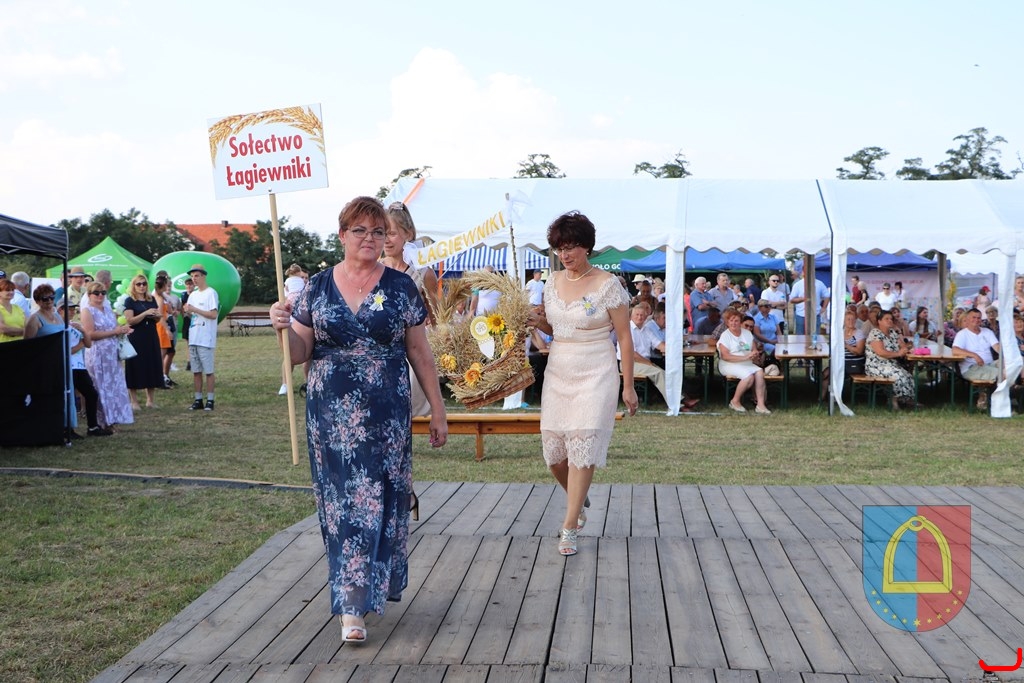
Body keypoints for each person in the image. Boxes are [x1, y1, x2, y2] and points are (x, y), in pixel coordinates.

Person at [268, 196, 448, 644]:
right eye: (360, 230)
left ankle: (368, 588)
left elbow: (419, 352)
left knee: (380, 500)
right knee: (342, 504)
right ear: (342, 235)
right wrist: (281, 328)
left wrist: (438, 409)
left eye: (378, 231)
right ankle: (351, 605)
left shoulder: (402, 287)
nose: (369, 238)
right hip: (330, 416)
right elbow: (299, 353)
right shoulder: (317, 287)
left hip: (386, 415)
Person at [527, 211, 637, 558]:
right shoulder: (552, 283)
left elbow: (625, 338)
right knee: (554, 455)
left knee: (583, 446)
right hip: (559, 369)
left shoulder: (608, 285)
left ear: (587, 246)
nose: (565, 254)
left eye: (571, 247)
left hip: (596, 371)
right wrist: (535, 322)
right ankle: (579, 498)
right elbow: (555, 328)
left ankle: (570, 525)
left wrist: (628, 385)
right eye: (560, 248)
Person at [384, 200, 441, 418]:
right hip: (381, 353)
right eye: (381, 233)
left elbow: (437, 317)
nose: (386, 239)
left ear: (407, 234)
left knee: (408, 415)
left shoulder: (423, 272)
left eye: (391, 233)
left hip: (411, 353)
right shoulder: (374, 269)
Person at [80, 281, 134, 429]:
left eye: (103, 293)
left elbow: (114, 327)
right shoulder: (87, 311)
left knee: (114, 386)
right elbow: (90, 334)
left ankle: (114, 418)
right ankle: (102, 421)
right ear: (89, 295)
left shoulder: (108, 310)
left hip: (112, 354)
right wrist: (114, 332)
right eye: (96, 293)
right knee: (100, 386)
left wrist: (122, 330)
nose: (100, 296)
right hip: (98, 353)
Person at [717, 308, 771, 414]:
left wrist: (755, 353)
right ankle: (735, 401)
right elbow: (725, 356)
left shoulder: (747, 333)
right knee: (749, 376)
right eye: (731, 320)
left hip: (746, 363)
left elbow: (753, 349)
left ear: (740, 322)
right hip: (729, 364)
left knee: (759, 372)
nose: (734, 323)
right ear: (727, 322)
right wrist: (745, 358)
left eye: (736, 320)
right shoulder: (725, 336)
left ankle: (760, 405)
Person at [122, 274, 164, 410]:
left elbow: (156, 319)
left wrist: (157, 316)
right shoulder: (129, 301)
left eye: (144, 284)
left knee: (151, 365)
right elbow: (130, 320)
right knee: (134, 366)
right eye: (138, 284)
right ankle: (134, 401)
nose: (141, 286)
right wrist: (145, 313)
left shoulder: (151, 299)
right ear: (133, 286)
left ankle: (150, 400)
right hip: (136, 337)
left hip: (150, 335)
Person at [618, 303, 670, 405]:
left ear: (646, 317)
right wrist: (648, 363)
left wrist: (673, 349)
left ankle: (678, 398)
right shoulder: (627, 330)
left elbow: (659, 344)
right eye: (637, 315)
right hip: (628, 364)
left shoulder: (646, 330)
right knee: (658, 373)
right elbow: (632, 354)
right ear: (631, 316)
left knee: (664, 371)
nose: (639, 317)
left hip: (643, 362)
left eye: (642, 315)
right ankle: (675, 402)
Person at [184, 264, 219, 411]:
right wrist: (187, 311)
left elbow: (213, 314)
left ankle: (210, 400)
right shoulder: (193, 295)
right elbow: (191, 314)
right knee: (196, 371)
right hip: (194, 336)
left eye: (197, 276)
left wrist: (195, 309)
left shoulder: (211, 293)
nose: (194, 279)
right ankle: (198, 399)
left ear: (204, 276)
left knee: (208, 371)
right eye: (192, 276)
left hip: (205, 338)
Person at [865, 310, 915, 409]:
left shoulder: (892, 333)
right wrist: (898, 353)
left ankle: (907, 400)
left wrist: (906, 347)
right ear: (879, 321)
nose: (890, 321)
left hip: (891, 364)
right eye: (886, 319)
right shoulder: (875, 333)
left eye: (891, 319)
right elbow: (881, 352)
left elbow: (902, 346)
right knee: (898, 375)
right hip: (876, 365)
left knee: (908, 376)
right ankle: (893, 401)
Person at [953, 308, 1001, 409]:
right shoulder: (962, 334)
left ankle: (990, 398)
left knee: (1010, 366)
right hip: (971, 367)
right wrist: (974, 355)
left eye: (979, 318)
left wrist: (1007, 355)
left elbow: (997, 347)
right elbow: (955, 350)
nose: (976, 320)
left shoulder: (987, 332)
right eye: (973, 317)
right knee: (1001, 374)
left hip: (989, 364)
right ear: (967, 319)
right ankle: (999, 402)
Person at [0, 278, 26, 342]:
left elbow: (28, 325)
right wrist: (24, 331)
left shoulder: (18, 308)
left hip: (20, 345)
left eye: (12, 290)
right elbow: (3, 329)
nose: (11, 292)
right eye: (7, 290)